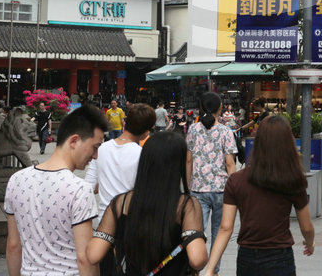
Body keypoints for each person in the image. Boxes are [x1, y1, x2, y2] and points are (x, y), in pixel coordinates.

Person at [202, 116, 314, 275]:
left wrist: (209, 270)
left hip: (247, 259)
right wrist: (310, 244)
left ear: (258, 142)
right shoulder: (292, 179)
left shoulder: (236, 180)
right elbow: (306, 227)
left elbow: (225, 228)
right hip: (280, 258)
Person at [4, 106, 109, 276]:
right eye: (95, 147)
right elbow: (84, 258)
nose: (96, 156)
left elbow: (13, 245)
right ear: (74, 141)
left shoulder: (16, 180)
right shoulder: (79, 189)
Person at [86, 131, 208, 276]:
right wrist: (197, 237)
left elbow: (93, 254)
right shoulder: (186, 206)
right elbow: (197, 260)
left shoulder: (121, 203)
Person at [186, 92, 237, 260]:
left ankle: (195, 269)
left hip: (198, 189)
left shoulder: (193, 129)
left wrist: (187, 186)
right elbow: (230, 163)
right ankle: (213, 270)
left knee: (195, 233)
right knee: (220, 233)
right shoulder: (226, 131)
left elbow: (188, 160)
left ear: (201, 108)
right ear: (220, 107)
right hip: (221, 190)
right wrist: (235, 189)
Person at [85, 103, 156, 217]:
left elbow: (88, 187)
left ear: (126, 123)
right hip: (130, 218)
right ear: (146, 132)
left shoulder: (101, 149)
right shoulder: (142, 155)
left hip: (104, 217)